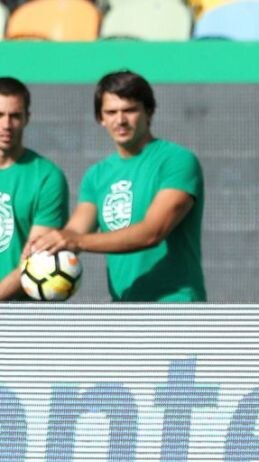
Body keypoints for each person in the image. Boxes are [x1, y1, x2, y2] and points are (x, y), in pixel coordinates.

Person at [28, 71, 206, 302]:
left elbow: (153, 232)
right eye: (111, 112)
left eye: (129, 110)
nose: (120, 120)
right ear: (100, 118)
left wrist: (76, 241)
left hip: (175, 306)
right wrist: (45, 246)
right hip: (123, 307)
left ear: (149, 112)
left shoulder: (177, 161)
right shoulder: (96, 175)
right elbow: (74, 232)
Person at [0, 77, 69, 301]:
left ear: (27, 118)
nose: (6, 125)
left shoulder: (47, 177)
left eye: (15, 116)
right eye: (0, 115)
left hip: (24, 314)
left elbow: (35, 262)